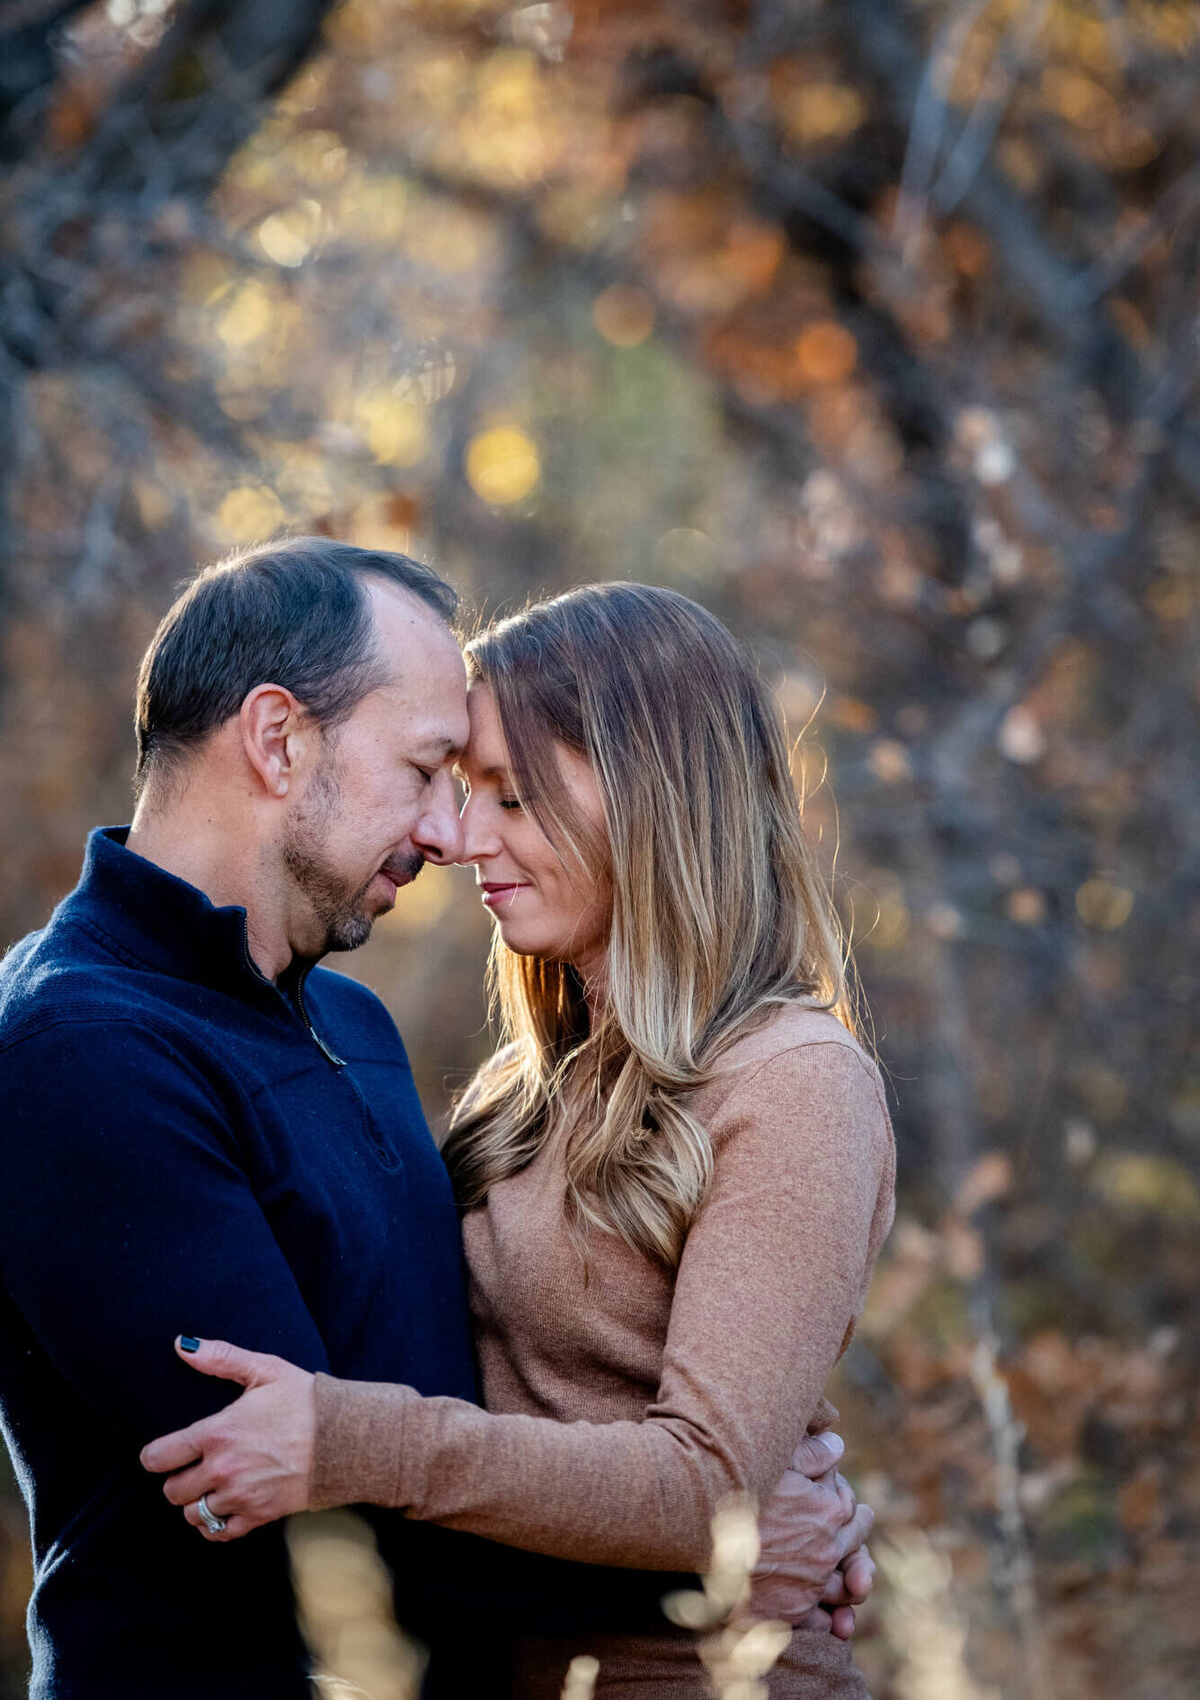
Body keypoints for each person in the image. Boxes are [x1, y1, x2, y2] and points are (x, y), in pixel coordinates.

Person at [0, 542, 874, 1700]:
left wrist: (736, 1506)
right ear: (277, 739)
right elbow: (294, 1502)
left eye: (495, 791)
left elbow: (468, 1403)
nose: (446, 832)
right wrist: (718, 1567)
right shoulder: (83, 1052)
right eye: (430, 771)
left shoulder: (350, 1026)